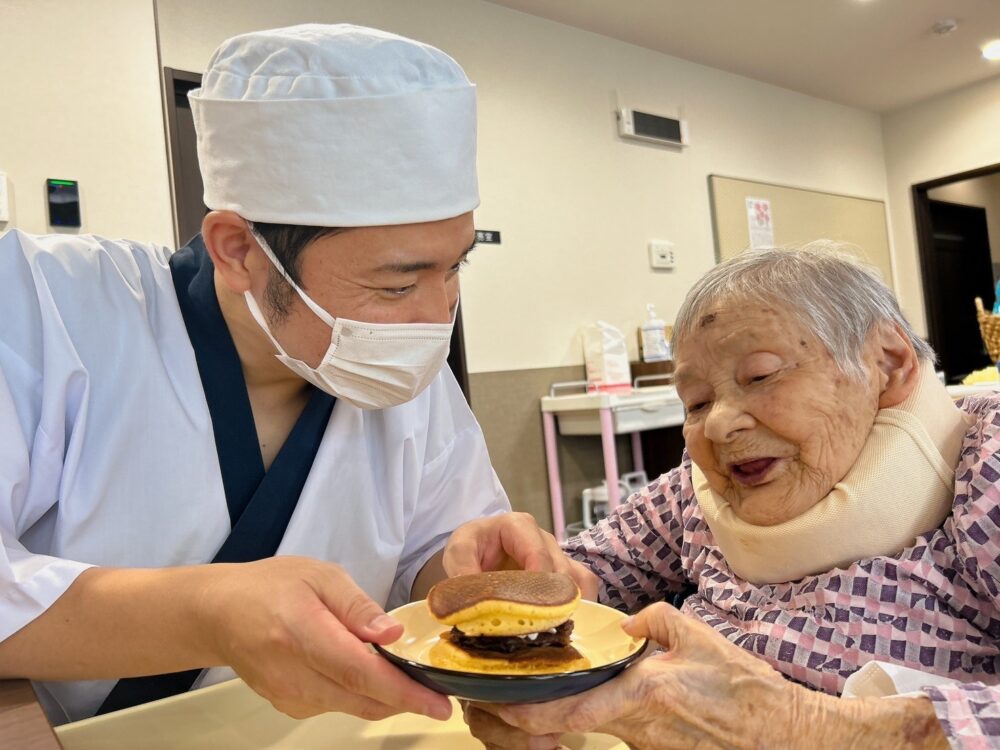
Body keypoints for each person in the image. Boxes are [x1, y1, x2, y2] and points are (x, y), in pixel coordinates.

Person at [0, 24, 514, 725]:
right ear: (239, 250)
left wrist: (475, 581)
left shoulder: (399, 372)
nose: (436, 318)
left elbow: (433, 551)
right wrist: (207, 613)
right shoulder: (45, 306)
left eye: (455, 267)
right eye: (396, 287)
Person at [447, 245, 1000, 748]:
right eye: (695, 402)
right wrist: (524, 575)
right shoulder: (698, 487)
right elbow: (594, 575)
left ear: (888, 362)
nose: (718, 425)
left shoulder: (985, 458)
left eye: (760, 376)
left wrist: (799, 726)